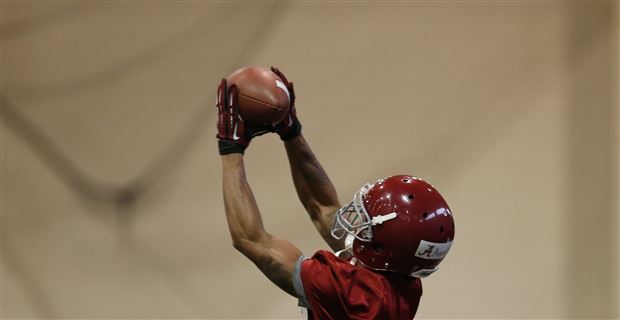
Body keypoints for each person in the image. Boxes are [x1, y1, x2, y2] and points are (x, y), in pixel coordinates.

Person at [216, 67, 455, 319]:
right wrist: (291, 131)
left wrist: (230, 147)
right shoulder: (402, 278)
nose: (360, 222)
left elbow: (250, 239)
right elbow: (323, 209)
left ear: (383, 245)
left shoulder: (351, 295)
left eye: (368, 224)